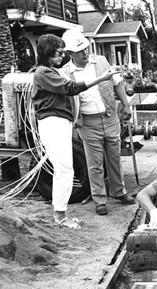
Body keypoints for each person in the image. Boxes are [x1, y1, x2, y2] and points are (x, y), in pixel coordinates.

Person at [32, 33, 118, 229]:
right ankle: (60, 216)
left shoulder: (51, 70)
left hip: (61, 123)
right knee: (64, 170)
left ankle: (60, 213)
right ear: (47, 54)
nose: (63, 56)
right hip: (53, 124)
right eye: (58, 53)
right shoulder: (43, 73)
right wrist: (101, 79)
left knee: (65, 170)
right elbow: (70, 88)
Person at [60, 29, 134, 216]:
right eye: (80, 51)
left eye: (86, 48)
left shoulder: (101, 61)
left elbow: (117, 83)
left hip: (109, 117)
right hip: (87, 122)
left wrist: (126, 105)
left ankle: (119, 192)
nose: (85, 53)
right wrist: (74, 120)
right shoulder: (65, 73)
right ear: (70, 54)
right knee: (94, 163)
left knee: (114, 157)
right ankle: (99, 199)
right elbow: (65, 98)